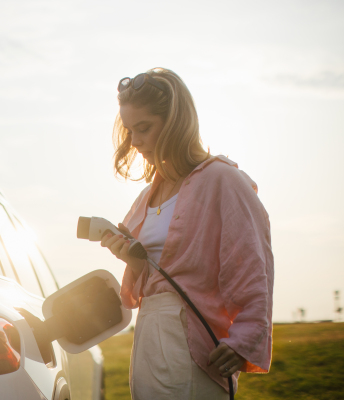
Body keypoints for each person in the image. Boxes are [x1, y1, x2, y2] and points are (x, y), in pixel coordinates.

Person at [100, 68, 274, 399]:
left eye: (144, 128)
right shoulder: (147, 196)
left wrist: (244, 340)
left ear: (176, 122)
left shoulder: (224, 181)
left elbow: (253, 268)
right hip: (148, 342)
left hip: (194, 348)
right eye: (130, 130)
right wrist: (132, 261)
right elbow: (153, 282)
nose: (135, 141)